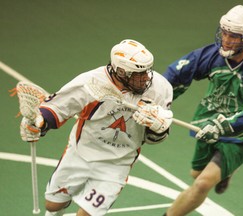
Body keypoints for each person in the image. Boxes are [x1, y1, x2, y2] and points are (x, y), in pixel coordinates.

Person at [20, 39, 174, 216]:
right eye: (138, 74)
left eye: (147, 71)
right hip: (81, 153)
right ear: (121, 72)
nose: (146, 78)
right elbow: (57, 109)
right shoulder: (90, 82)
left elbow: (154, 139)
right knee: (52, 206)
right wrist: (38, 124)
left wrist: (158, 129)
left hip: (117, 163)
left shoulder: (161, 89)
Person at [162, 5, 243, 216]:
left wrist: (223, 127)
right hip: (209, 118)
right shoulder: (212, 55)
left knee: (202, 184)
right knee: (196, 174)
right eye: (224, 32)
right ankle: (225, 172)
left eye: (234, 36)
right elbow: (177, 73)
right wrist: (157, 101)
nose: (226, 39)